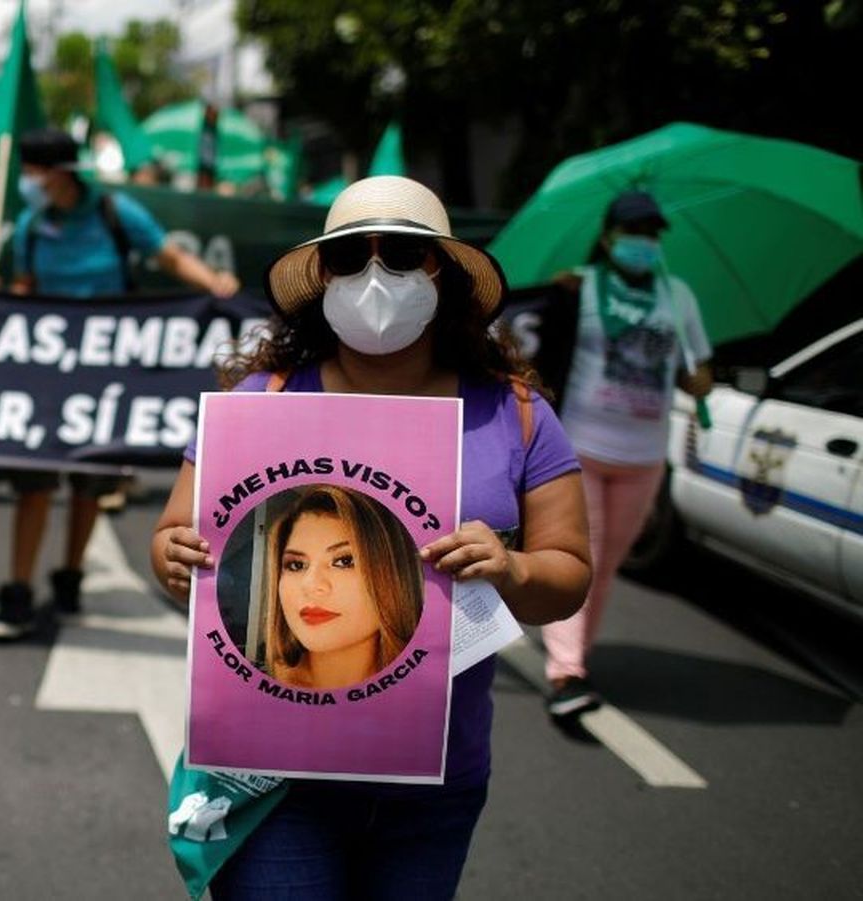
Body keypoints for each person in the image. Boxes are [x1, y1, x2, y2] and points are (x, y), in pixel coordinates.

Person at [150, 176, 591, 898]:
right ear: (323, 275)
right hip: (278, 780)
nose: (374, 276)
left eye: (404, 254)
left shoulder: (515, 415)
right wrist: (172, 554)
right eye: (352, 255)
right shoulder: (259, 403)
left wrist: (510, 568)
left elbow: (567, 575)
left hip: (436, 785)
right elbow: (173, 535)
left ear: (441, 274)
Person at [0, 127, 240, 642]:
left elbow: (168, 256)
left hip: (105, 377)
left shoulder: (115, 213)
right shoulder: (34, 226)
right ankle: (17, 591)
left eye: (34, 173)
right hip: (47, 375)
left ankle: (70, 579)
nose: (30, 183)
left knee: (88, 482)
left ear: (59, 173)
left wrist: (213, 284)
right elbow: (23, 291)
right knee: (34, 484)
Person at [541, 190, 712, 719]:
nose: (644, 243)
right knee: (583, 557)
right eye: (634, 232)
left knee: (607, 566)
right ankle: (566, 671)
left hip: (644, 456)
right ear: (609, 236)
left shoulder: (677, 297)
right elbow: (545, 350)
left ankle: (577, 658)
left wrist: (699, 380)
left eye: (652, 234)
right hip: (581, 448)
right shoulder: (578, 286)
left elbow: (697, 372)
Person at [262, 485, 423, 690]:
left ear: (394, 574)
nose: (310, 585)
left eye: (345, 561)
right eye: (296, 565)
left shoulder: (433, 687)